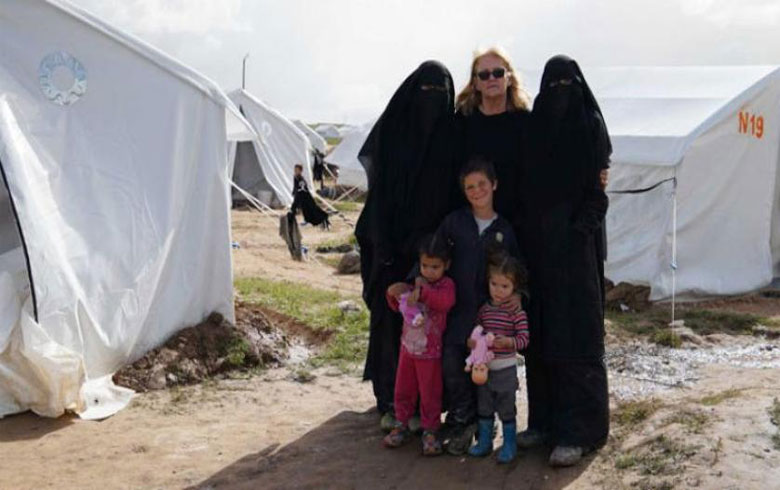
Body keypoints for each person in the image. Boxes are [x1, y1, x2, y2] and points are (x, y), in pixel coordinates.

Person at [519, 55, 611, 467]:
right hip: (537, 250)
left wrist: (577, 233)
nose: (560, 94)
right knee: (540, 337)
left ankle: (579, 432)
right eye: (553, 85)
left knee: (576, 337)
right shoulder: (534, 127)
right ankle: (544, 423)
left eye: (566, 85)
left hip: (577, 254)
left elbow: (597, 193)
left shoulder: (590, 126)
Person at [355, 60, 455, 431]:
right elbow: (380, 195)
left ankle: (428, 407)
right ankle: (390, 402)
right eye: (427, 92)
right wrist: (384, 249)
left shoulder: (452, 137)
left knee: (432, 328)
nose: (433, 101)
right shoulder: (395, 133)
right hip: (391, 246)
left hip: (435, 252)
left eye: (440, 94)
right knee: (390, 324)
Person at [423, 157, 521, 456]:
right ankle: (462, 421)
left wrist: (519, 294)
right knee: (452, 364)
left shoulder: (504, 229)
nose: (477, 191)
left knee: (486, 372)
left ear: (494, 184)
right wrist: (416, 281)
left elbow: (516, 269)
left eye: (482, 184)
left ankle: (486, 425)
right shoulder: (455, 222)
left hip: (490, 316)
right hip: (457, 311)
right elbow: (433, 254)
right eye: (470, 187)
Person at [382, 234, 456, 456]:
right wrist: (394, 293)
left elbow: (445, 302)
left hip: (430, 353)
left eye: (435, 267)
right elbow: (401, 307)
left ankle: (430, 430)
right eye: (425, 266)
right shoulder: (415, 283)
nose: (429, 271)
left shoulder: (446, 286)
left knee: (430, 392)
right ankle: (401, 424)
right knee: (403, 389)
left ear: (446, 265)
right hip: (408, 350)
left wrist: (422, 292)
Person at [453, 46, 532, 226]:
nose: (491, 79)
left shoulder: (526, 122)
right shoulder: (461, 123)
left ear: (509, 78)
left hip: (518, 222)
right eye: (484, 75)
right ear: (475, 83)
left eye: (498, 73)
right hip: (471, 223)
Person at [467, 253, 529, 464]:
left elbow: (524, 339)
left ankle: (509, 444)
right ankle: (485, 442)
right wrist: (472, 343)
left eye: (505, 286)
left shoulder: (516, 312)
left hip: (506, 369)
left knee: (506, 408)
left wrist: (509, 342)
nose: (498, 290)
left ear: (514, 287)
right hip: (484, 369)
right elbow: (477, 333)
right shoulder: (484, 310)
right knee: (484, 407)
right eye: (494, 284)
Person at [290, 164, 329, 228]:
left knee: (312, 208)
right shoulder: (296, 177)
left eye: (297, 170)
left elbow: (302, 188)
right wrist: (294, 192)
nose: (295, 171)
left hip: (305, 196)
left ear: (300, 171)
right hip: (301, 196)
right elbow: (296, 187)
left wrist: (298, 193)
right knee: (302, 208)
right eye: (295, 170)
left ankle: (323, 217)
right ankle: (297, 220)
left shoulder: (301, 179)